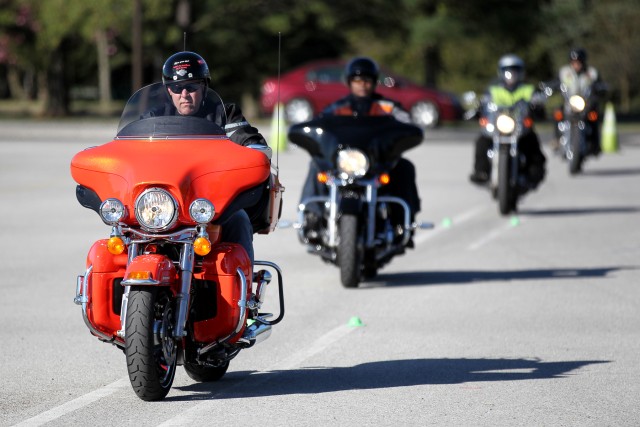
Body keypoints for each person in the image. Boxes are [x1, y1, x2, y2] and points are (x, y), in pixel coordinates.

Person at [160, 51, 270, 265]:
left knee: (238, 219)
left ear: (204, 87)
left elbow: (248, 140)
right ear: (168, 90)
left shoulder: (224, 114)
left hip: (211, 202)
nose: (184, 94)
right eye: (176, 87)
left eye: (191, 86)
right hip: (165, 203)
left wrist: (253, 149)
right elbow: (131, 149)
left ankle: (241, 289)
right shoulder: (154, 118)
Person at [300, 56, 421, 245]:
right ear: (350, 82)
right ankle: (313, 218)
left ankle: (401, 223)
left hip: (377, 161)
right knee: (316, 165)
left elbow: (407, 123)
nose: (362, 85)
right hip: (346, 161)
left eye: (367, 80)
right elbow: (319, 123)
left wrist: (403, 133)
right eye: (357, 80)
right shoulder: (338, 108)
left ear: (373, 82)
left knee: (404, 167)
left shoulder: (387, 107)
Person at [469, 54, 546, 187]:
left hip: (519, 125)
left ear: (520, 73)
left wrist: (537, 104)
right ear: (502, 72)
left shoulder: (527, 88)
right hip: (498, 125)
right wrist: (478, 107)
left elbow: (536, 100)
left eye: (514, 71)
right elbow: (485, 102)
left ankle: (534, 174)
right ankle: (481, 171)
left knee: (532, 143)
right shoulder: (493, 89)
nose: (511, 74)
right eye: (508, 71)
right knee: (482, 141)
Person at [552, 48, 606, 155]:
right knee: (557, 113)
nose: (576, 65)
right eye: (573, 62)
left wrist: (601, 88)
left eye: (578, 62)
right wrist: (550, 87)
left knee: (594, 116)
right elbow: (556, 82)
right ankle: (557, 139)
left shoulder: (591, 73)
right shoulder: (564, 72)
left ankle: (595, 143)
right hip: (569, 103)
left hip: (586, 104)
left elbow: (600, 84)